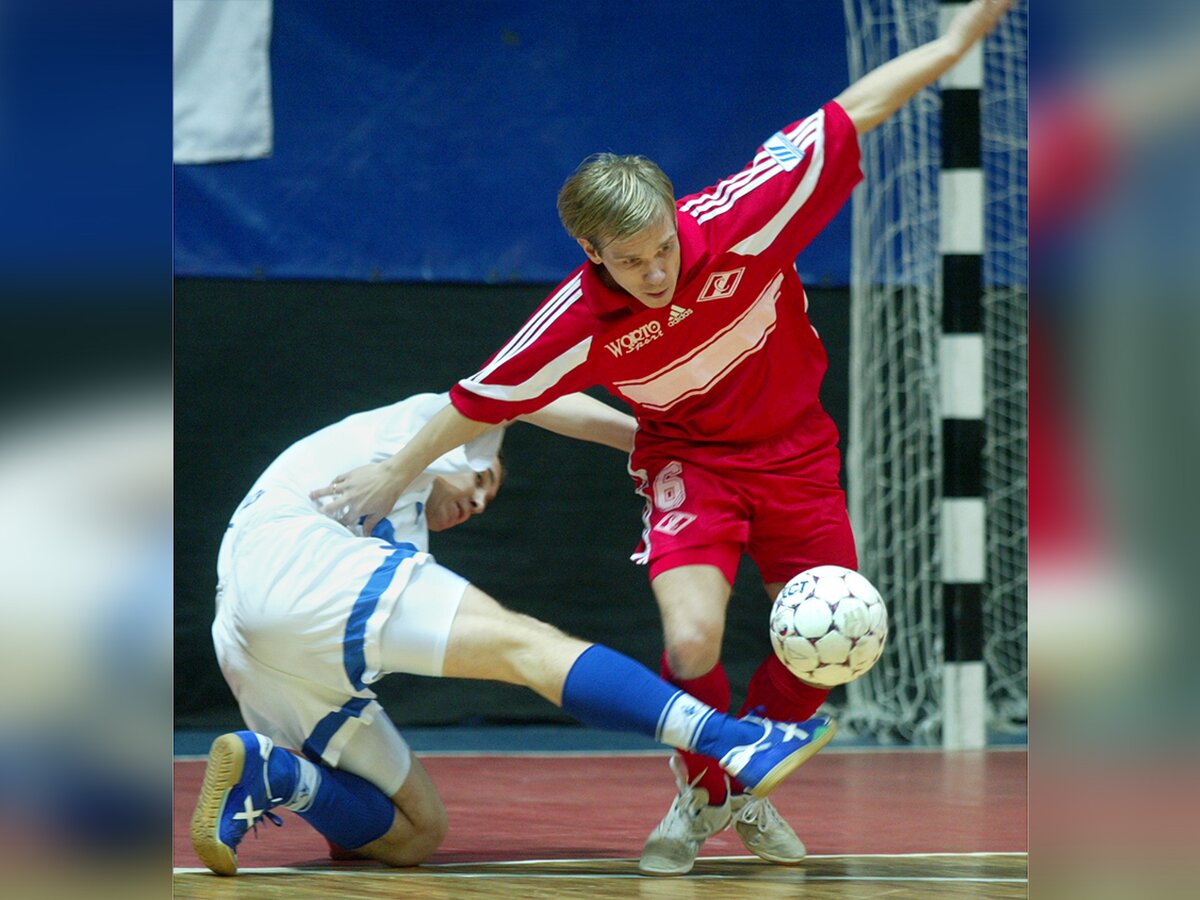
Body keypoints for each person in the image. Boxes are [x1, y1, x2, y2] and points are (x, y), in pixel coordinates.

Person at [309, 0, 1017, 876]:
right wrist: (398, 469)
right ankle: (706, 790)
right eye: (630, 259)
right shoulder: (576, 320)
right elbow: (482, 396)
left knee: (835, 645)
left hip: (798, 453)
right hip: (691, 465)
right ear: (589, 249)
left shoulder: (745, 217)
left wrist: (950, 46)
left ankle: (737, 789)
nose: (655, 272)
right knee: (691, 643)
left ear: (674, 215)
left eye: (661, 249)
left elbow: (857, 108)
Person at [191, 390, 837, 877]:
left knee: (415, 833)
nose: (476, 501)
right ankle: (734, 740)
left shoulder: (396, 514)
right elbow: (529, 397)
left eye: (485, 501)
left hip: (248, 640)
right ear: (465, 452)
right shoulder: (421, 424)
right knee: (527, 646)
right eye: (482, 481)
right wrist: (656, 444)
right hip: (292, 561)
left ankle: (274, 773)